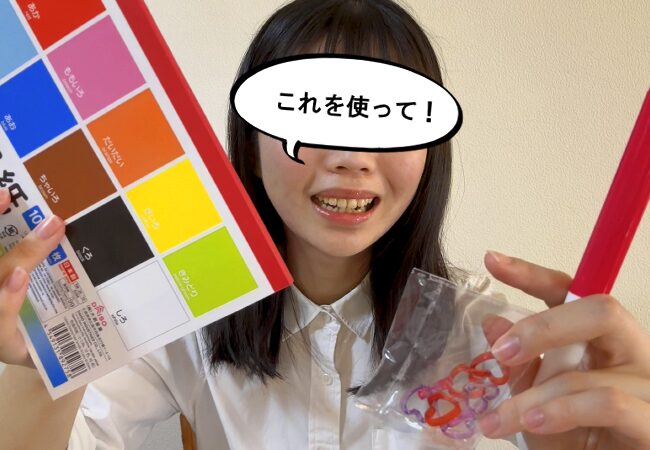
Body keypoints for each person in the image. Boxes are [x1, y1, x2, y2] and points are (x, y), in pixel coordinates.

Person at [1, 0, 649, 449]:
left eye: (388, 120)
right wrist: (42, 362)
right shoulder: (183, 315)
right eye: (308, 114)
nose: (349, 157)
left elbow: (567, 425)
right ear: (251, 141)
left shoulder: (487, 333)